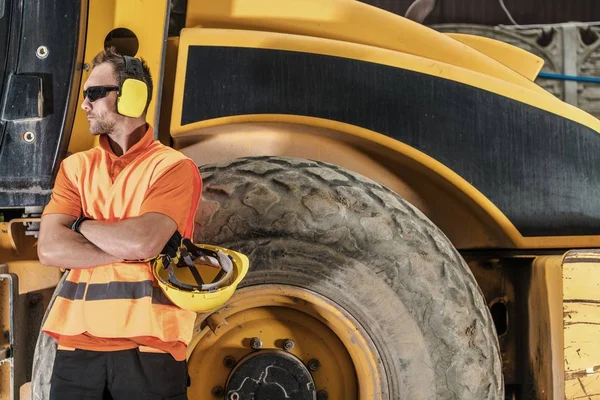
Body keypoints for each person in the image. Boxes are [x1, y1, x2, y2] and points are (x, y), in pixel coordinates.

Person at [37, 47, 202, 400]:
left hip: (149, 349)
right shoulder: (75, 168)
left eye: (94, 94)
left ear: (132, 97)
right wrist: (125, 245)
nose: (84, 105)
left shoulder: (172, 167)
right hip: (76, 348)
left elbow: (143, 242)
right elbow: (50, 248)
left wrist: (79, 225)